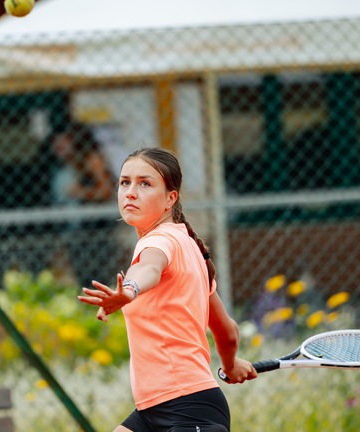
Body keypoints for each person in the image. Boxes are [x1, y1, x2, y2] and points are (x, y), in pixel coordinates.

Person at [78, 147, 257, 432]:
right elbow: (228, 330)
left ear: (170, 198)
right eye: (125, 182)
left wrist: (130, 290)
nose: (131, 192)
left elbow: (148, 268)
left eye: (145, 183)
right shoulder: (189, 246)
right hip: (154, 409)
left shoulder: (158, 242)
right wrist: (231, 362)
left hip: (189, 409)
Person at [49, 121, 120, 287]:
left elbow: (106, 191)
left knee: (97, 273)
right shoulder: (68, 164)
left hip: (97, 226)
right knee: (82, 273)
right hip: (79, 227)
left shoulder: (92, 159)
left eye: (64, 140)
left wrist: (80, 192)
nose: (58, 145)